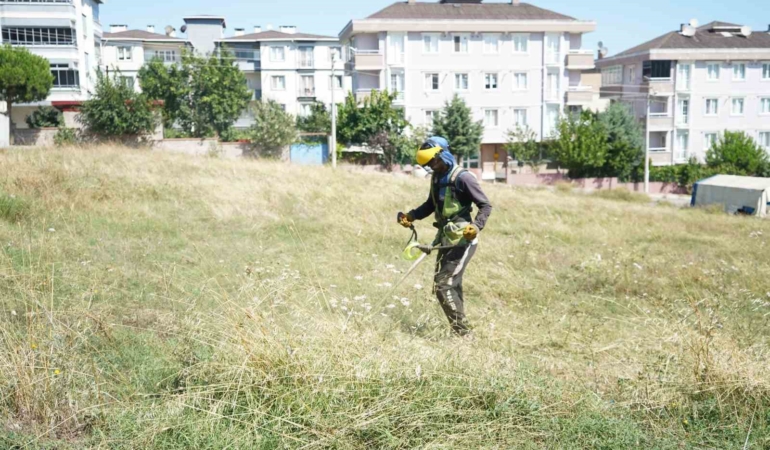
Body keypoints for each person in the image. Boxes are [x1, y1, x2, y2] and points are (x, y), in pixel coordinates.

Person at [397, 137, 492, 336]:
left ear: (443, 154)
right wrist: (411, 215)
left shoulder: (463, 178)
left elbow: (485, 205)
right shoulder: (437, 178)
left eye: (433, 161)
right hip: (445, 239)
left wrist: (476, 226)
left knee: (443, 284)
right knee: (449, 284)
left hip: (463, 239)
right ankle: (463, 332)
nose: (432, 166)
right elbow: (430, 205)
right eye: (428, 164)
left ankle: (463, 334)